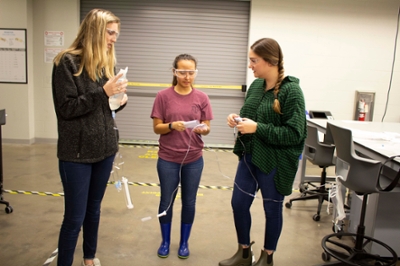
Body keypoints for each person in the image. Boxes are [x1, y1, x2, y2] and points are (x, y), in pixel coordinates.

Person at [219, 38, 307, 266]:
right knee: (238, 204)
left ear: (269, 62)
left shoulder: (292, 91)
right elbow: (249, 113)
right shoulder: (256, 86)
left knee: (272, 209)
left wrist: (258, 128)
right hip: (250, 157)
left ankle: (267, 258)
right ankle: (244, 253)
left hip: (274, 162)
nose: (250, 65)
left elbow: (295, 134)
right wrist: (236, 118)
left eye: (253, 60)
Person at [51, 8, 128, 266]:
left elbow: (107, 106)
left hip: (105, 150)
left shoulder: (107, 64)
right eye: (110, 32)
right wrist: (103, 93)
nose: (114, 38)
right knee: (74, 217)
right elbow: (66, 109)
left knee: (93, 209)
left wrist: (119, 100)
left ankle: (89, 257)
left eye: (116, 33)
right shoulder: (67, 63)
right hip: (77, 154)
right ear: (95, 30)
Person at [150, 54, 213, 259]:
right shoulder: (163, 96)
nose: (187, 77)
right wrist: (171, 126)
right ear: (174, 72)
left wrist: (203, 130)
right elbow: (157, 128)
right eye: (183, 72)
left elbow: (207, 127)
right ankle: (165, 241)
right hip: (168, 158)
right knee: (166, 200)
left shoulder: (202, 98)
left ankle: (184, 243)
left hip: (193, 159)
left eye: (191, 72)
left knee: (189, 202)